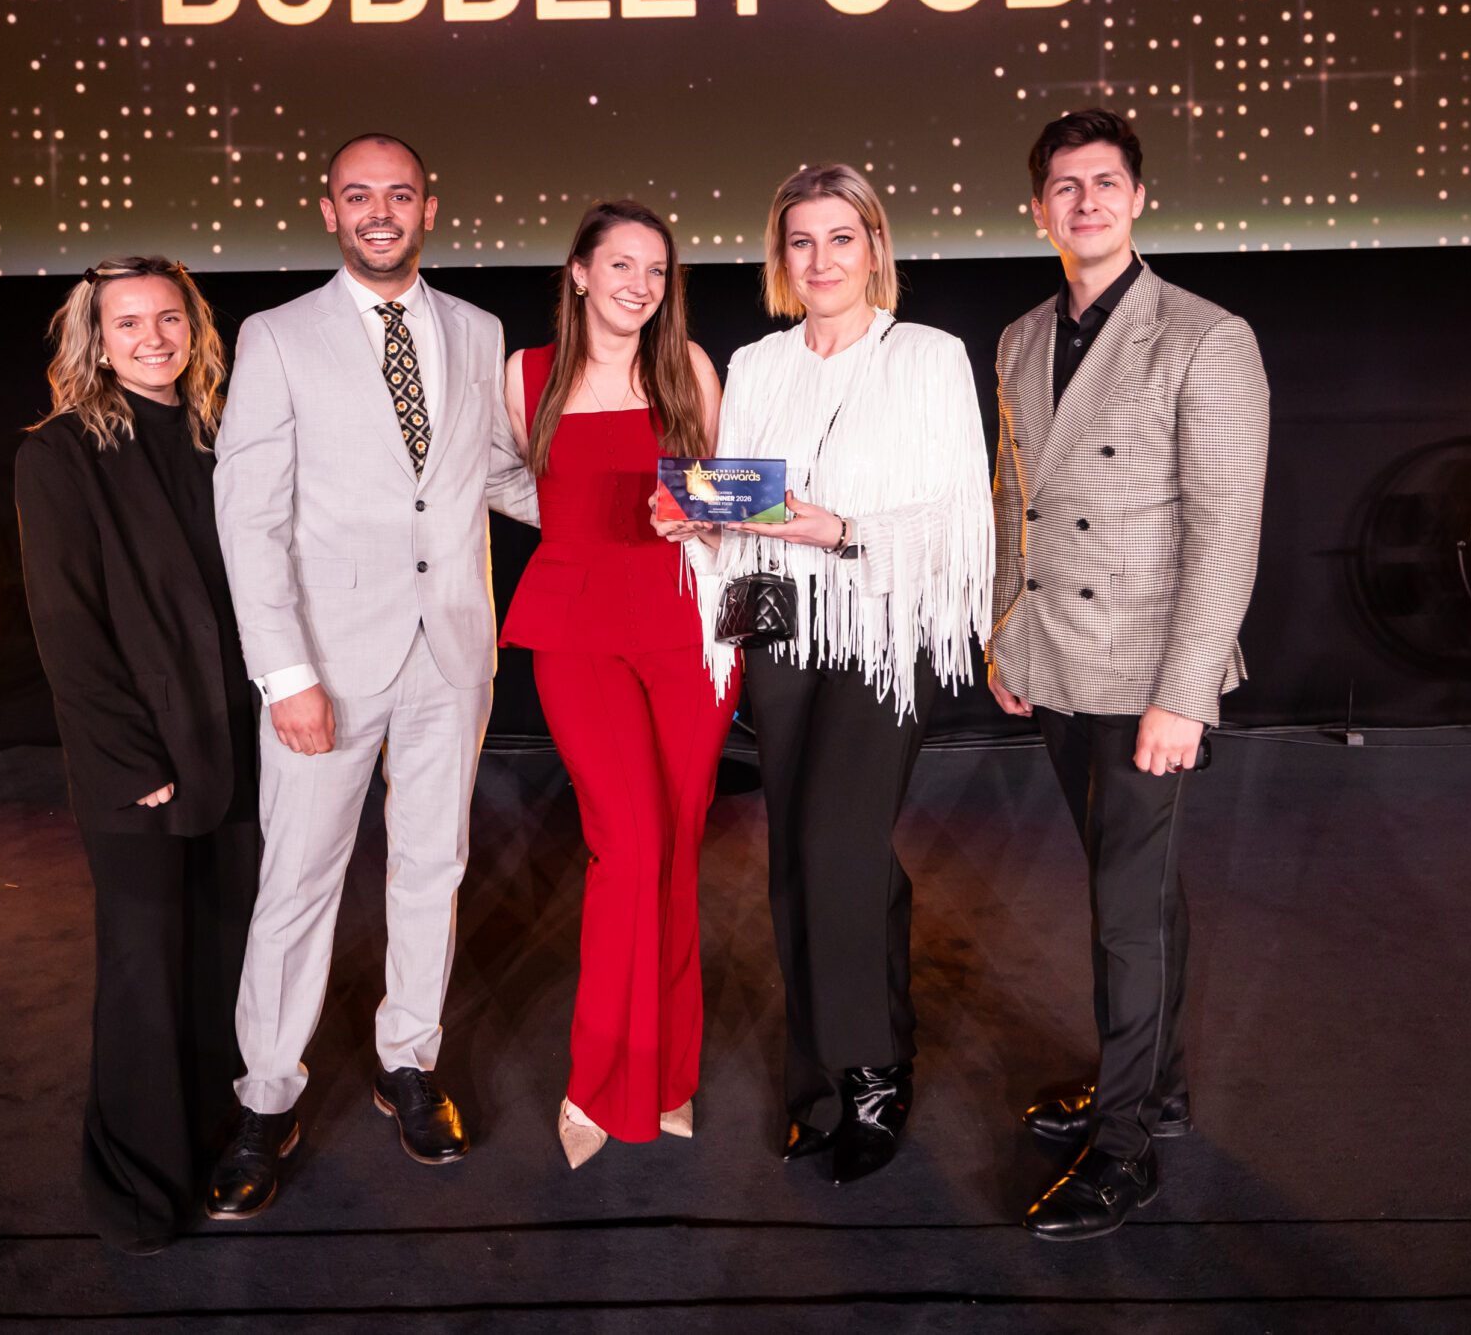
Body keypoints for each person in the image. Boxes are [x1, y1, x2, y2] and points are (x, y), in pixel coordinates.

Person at [204, 132, 539, 1220]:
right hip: (327, 663)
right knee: (298, 879)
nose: (380, 212)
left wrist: (627, 509)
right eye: (360, 196)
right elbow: (249, 520)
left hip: (453, 650)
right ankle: (266, 1096)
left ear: (429, 207)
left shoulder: (476, 330)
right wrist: (284, 673)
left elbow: (488, 474)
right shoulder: (276, 336)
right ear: (329, 210)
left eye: (399, 194)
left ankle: (410, 1060)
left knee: (433, 866)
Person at [658, 164, 992, 1185]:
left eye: (841, 238)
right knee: (800, 859)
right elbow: (741, 507)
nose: (820, 259)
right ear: (780, 256)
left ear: (875, 247)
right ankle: (819, 1073)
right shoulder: (756, 363)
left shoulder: (929, 356)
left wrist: (840, 528)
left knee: (841, 846)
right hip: (779, 629)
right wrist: (693, 522)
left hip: (882, 632)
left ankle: (874, 1071)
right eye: (800, 241)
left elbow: (958, 518)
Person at [986, 109, 1270, 1241]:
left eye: (1106, 182)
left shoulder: (1206, 336)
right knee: (1136, 895)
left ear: (1139, 199)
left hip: (1149, 669)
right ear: (1040, 208)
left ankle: (1125, 1146)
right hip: (1057, 656)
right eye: (1066, 186)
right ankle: (1159, 1088)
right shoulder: (1019, 337)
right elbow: (1015, 499)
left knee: (1123, 911)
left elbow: (1226, 528)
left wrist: (1183, 695)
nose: (1087, 202)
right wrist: (1006, 633)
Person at [12, 256, 260, 1256]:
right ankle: (137, 1188)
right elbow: (67, 626)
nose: (152, 338)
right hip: (142, 758)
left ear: (195, 330)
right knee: (143, 966)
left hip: (241, 741)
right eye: (128, 323)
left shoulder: (225, 435)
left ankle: (213, 1139)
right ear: (97, 340)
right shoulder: (59, 455)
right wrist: (127, 759)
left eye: (169, 319)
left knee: (228, 949)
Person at [501, 199, 733, 1168]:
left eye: (656, 270)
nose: (639, 285)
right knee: (626, 845)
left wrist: (700, 519)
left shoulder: (688, 370)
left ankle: (669, 1074)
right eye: (621, 265)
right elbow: (496, 478)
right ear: (580, 273)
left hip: (686, 632)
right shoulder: (524, 375)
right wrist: (571, 523)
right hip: (577, 631)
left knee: (673, 849)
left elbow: (728, 503)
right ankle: (598, 1082)